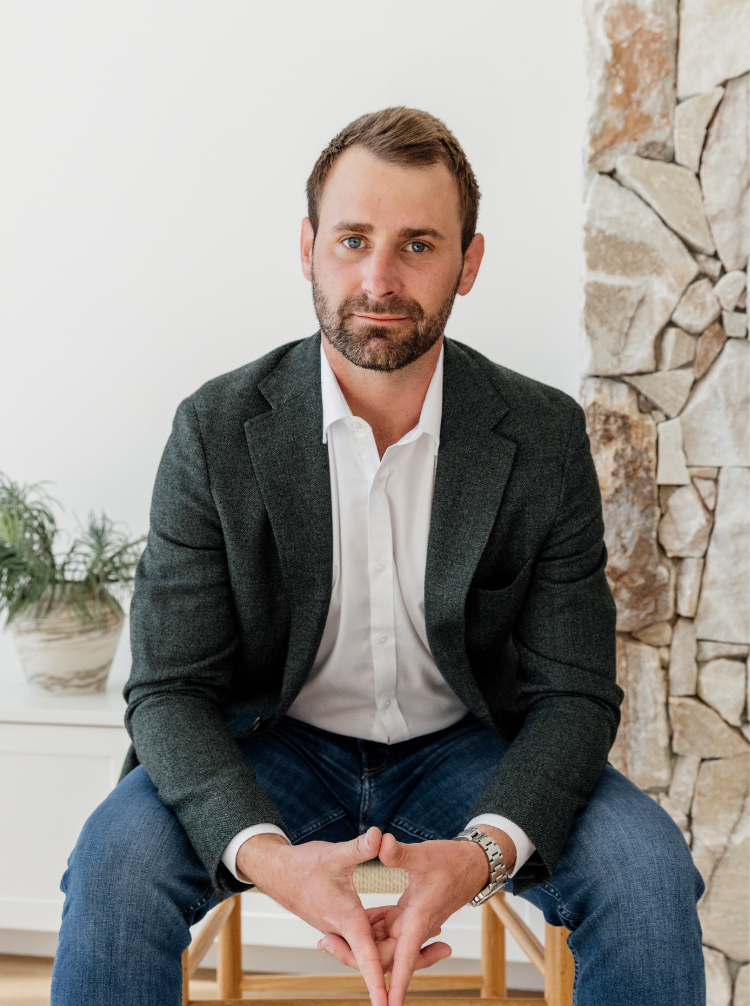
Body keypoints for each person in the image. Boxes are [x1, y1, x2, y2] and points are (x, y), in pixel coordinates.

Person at [51, 107, 705, 1006]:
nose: (378, 278)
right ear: (310, 247)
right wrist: (272, 862)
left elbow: (573, 695)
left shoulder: (543, 435)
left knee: (646, 875)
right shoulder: (215, 430)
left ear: (468, 263)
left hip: (468, 747)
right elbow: (167, 691)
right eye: (353, 239)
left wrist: (478, 857)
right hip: (269, 745)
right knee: (113, 870)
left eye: (418, 245)